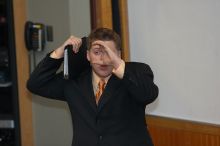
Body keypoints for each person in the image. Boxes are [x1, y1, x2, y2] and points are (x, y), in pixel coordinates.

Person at [27, 27, 159, 146]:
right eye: (97, 52)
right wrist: (60, 52)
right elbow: (35, 84)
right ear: (87, 55)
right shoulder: (74, 81)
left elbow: (147, 95)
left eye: (109, 53)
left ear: (118, 55)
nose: (103, 59)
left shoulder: (138, 72)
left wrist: (119, 66)